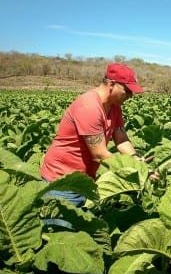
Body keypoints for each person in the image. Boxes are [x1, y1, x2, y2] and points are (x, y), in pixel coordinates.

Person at [40, 62, 144, 208]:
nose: (131, 96)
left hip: (85, 181)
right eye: (127, 91)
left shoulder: (115, 107)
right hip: (62, 181)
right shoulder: (90, 106)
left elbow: (121, 139)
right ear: (112, 84)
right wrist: (136, 170)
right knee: (60, 228)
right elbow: (99, 154)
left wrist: (136, 159)